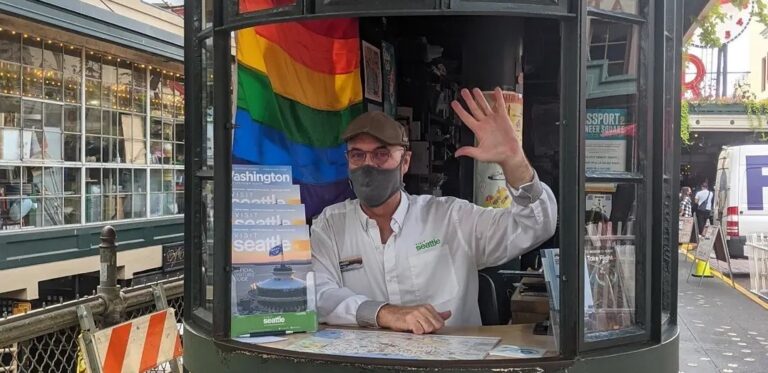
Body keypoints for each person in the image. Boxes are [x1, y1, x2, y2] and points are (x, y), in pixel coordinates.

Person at [311, 88, 558, 334]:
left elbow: (536, 225)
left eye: (381, 154)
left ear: (405, 162)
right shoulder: (331, 225)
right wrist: (383, 313)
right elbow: (318, 293)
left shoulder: (451, 218)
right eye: (357, 155)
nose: (368, 165)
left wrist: (514, 161)